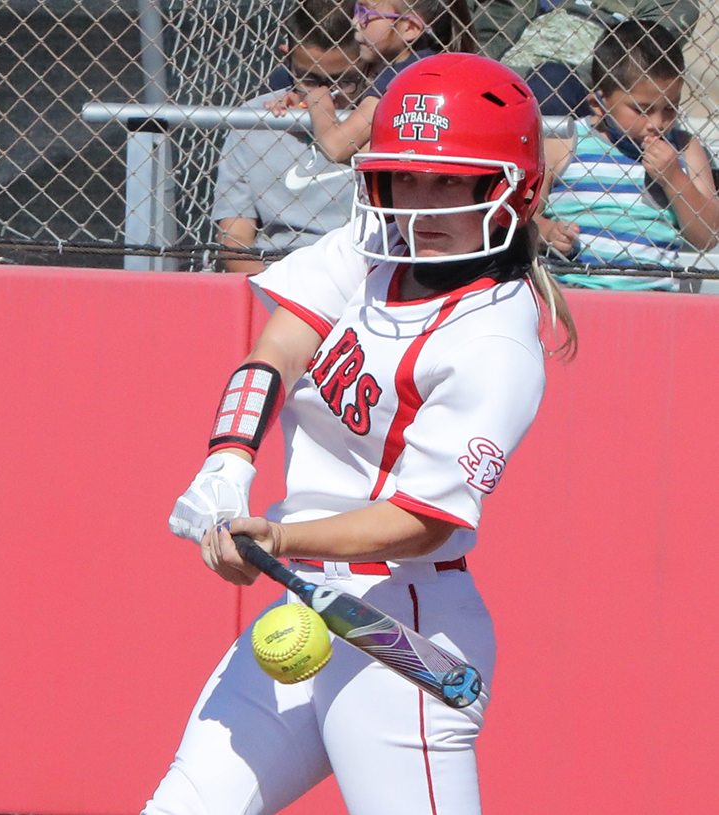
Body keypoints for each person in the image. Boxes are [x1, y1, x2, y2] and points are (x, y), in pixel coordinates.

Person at [149, 54, 576, 815]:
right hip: (301, 605)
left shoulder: (495, 339)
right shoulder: (371, 250)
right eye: (405, 177)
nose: (420, 205)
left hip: (397, 627)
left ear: (513, 189)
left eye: (450, 182)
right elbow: (275, 350)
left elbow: (421, 521)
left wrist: (277, 539)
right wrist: (225, 466)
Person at [535, 21, 719, 290]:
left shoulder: (684, 149)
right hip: (569, 290)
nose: (656, 122)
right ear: (599, 104)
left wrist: (675, 180)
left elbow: (708, 236)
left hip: (652, 297)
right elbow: (523, 217)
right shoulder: (565, 143)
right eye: (642, 109)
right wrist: (545, 232)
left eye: (670, 108)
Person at [213, 0, 367, 274]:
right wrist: (274, 294)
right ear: (287, 59)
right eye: (309, 81)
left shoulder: (379, 120)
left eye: (344, 81)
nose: (326, 97)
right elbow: (234, 240)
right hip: (276, 273)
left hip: (360, 272)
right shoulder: (254, 121)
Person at [269, 1, 477, 163]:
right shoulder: (430, 61)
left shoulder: (401, 75)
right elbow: (369, 152)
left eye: (367, 13)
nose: (355, 21)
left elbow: (338, 147)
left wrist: (318, 104)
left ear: (410, 28)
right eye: (358, 10)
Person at [467, 0, 699, 117]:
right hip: (508, 58)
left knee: (553, 86)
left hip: (572, 77)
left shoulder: (672, 6)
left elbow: (634, 59)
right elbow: (489, 29)